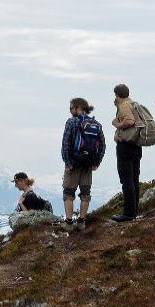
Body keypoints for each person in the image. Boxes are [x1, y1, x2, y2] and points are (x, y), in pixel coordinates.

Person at [60, 98, 103, 232]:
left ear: (77, 107)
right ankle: (81, 222)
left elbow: (66, 144)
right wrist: (96, 162)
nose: (70, 111)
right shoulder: (96, 124)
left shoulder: (71, 122)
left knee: (68, 193)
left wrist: (67, 163)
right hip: (88, 165)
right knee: (85, 193)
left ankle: (68, 223)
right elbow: (102, 146)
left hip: (73, 164)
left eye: (71, 108)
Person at [111, 84, 141, 223]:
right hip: (136, 144)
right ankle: (134, 210)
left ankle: (128, 213)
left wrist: (117, 125)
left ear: (117, 94)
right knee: (134, 178)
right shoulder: (134, 103)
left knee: (126, 179)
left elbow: (130, 121)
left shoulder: (124, 105)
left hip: (125, 145)